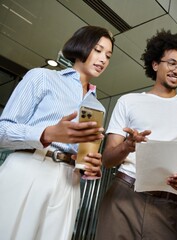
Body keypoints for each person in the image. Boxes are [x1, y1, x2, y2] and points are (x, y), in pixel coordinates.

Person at [0, 25, 114, 240]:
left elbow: (84, 154)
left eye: (108, 55)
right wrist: (48, 134)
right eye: (98, 50)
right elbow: (3, 130)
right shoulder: (42, 77)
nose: (103, 59)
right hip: (29, 169)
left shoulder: (98, 107)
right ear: (82, 46)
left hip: (69, 184)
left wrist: (89, 166)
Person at [95, 29, 177, 240]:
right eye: (172, 63)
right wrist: (127, 146)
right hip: (124, 195)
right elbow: (107, 159)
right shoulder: (128, 102)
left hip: (169, 202)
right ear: (155, 64)